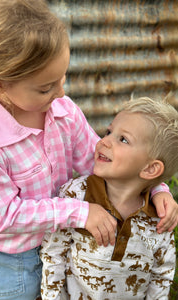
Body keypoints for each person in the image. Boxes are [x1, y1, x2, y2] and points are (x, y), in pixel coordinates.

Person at [0, 0, 177, 299]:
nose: (61, 93)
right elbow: (4, 216)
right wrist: (79, 212)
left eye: (63, 78)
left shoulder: (62, 111)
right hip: (5, 256)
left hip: (57, 237)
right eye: (46, 87)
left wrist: (156, 188)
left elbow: (96, 161)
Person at [40, 97, 178, 300]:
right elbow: (53, 255)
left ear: (150, 168)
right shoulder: (76, 195)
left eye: (123, 139)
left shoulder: (159, 219)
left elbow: (162, 274)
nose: (104, 141)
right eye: (109, 132)